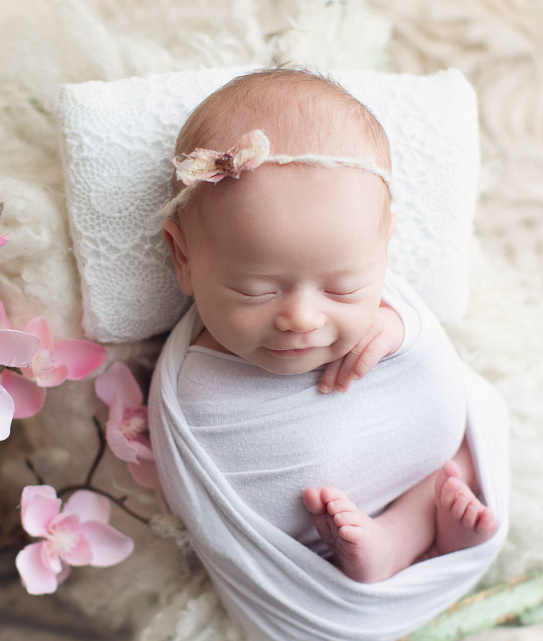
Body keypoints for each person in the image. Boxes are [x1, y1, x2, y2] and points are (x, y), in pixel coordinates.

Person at [156, 67, 500, 585]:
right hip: (306, 552)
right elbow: (214, 511)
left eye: (343, 289)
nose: (302, 318)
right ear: (183, 257)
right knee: (442, 463)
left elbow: (437, 373)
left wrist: (400, 330)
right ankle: (383, 547)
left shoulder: (385, 306)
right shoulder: (194, 392)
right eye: (256, 290)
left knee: (473, 440)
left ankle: (407, 531)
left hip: (420, 470)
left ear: (383, 253)